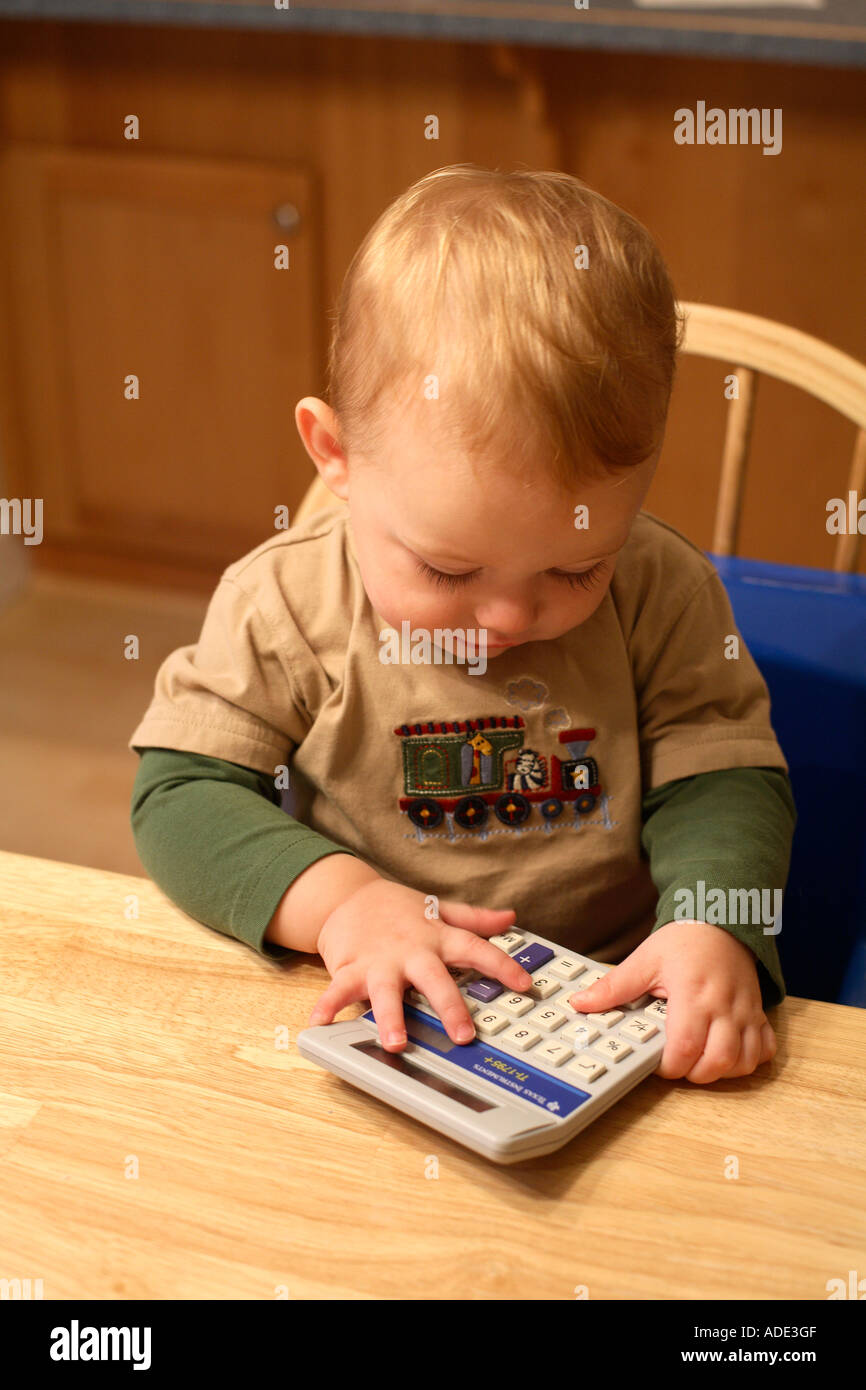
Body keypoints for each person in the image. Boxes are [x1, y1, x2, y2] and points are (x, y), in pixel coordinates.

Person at [129, 164, 796, 1085]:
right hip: (372, 1003)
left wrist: (713, 924)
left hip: (613, 1010)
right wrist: (343, 904)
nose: (512, 616)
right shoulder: (287, 603)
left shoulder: (661, 590)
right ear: (337, 456)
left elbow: (724, 782)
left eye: (575, 566)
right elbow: (179, 791)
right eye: (447, 568)